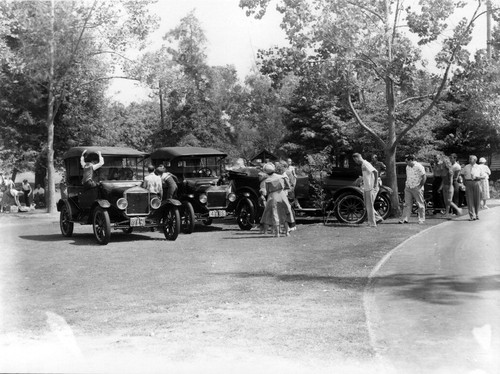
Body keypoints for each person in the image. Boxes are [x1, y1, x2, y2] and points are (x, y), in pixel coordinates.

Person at [259, 163, 295, 237]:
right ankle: (287, 232)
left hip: (273, 196)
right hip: (282, 195)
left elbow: (267, 191)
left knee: (275, 213)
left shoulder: (267, 180)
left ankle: (277, 233)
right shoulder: (281, 177)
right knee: (285, 212)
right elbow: (288, 186)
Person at [353, 153, 383, 227]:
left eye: (355, 160)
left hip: (370, 187)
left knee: (369, 205)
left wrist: (375, 183)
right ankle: (377, 218)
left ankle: (372, 223)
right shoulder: (363, 165)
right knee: (367, 205)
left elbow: (375, 172)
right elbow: (367, 176)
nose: (355, 162)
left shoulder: (366, 164)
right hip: (366, 187)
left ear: (357, 158)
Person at [399, 154, 427, 224]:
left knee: (419, 203)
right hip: (408, 187)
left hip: (416, 187)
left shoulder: (419, 166)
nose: (406, 163)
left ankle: (421, 219)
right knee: (407, 204)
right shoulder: (407, 167)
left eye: (407, 161)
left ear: (411, 160)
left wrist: (420, 186)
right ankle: (405, 218)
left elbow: (424, 176)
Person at [460, 155, 484, 221]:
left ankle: (477, 214)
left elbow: (483, 176)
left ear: (475, 160)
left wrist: (478, 177)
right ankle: (471, 215)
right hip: (468, 182)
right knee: (469, 199)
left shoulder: (479, 167)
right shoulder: (466, 167)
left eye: (471, 159)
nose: (469, 160)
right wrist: (464, 181)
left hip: (477, 182)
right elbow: (462, 174)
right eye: (469, 159)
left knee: (477, 199)